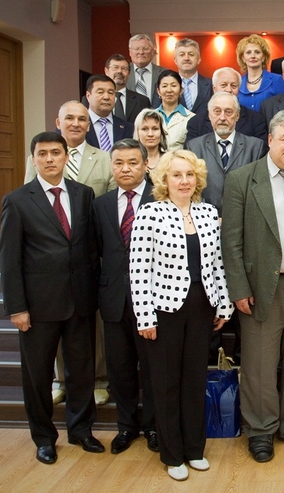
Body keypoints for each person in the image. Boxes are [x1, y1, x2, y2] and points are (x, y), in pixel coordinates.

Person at [221, 110, 284, 463]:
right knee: (260, 364)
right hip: (261, 286)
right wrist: (238, 288)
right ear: (270, 140)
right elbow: (230, 241)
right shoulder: (242, 179)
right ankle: (261, 429)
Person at [130, 149, 233, 481]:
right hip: (164, 311)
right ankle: (172, 454)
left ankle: (194, 449)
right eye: (177, 175)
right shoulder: (150, 213)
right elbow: (139, 270)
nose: (184, 181)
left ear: (197, 178)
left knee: (194, 380)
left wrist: (224, 304)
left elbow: (217, 264)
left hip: (202, 307)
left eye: (190, 174)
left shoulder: (208, 212)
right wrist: (145, 317)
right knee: (166, 383)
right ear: (164, 179)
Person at [0, 131, 103, 465]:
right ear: (33, 159)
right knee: (38, 376)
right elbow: (9, 260)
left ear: (66, 157)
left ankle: (81, 430)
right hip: (38, 305)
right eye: (42, 154)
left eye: (55, 153)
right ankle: (44, 438)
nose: (49, 159)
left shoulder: (83, 194)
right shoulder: (17, 200)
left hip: (80, 301)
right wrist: (17, 307)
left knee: (82, 372)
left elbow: (90, 248)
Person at [92, 138, 159, 455]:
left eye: (133, 162)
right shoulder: (101, 204)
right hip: (114, 300)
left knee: (153, 368)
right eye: (119, 163)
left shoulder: (161, 199)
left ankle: (153, 426)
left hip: (154, 301)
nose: (125, 169)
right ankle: (126, 426)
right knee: (120, 369)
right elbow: (96, 252)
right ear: (111, 166)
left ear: (146, 165)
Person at [185, 92, 266, 211]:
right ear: (209, 115)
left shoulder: (255, 147)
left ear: (237, 116)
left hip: (243, 216)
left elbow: (258, 188)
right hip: (204, 216)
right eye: (217, 111)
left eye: (228, 112)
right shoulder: (194, 147)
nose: (222, 117)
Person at [185, 67, 268, 143]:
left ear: (239, 90)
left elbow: (260, 150)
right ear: (214, 89)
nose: (228, 90)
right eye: (223, 85)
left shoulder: (255, 120)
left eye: (233, 86)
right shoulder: (196, 122)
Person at [236, 34, 284, 113]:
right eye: (248, 52)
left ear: (264, 57)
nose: (253, 56)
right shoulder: (237, 82)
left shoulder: (277, 80)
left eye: (257, 52)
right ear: (243, 58)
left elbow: (283, 111)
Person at [85, 74, 134, 151]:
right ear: (88, 96)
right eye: (100, 92)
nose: (106, 97)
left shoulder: (128, 128)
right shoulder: (78, 125)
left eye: (111, 93)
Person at [155, 69, 194, 151]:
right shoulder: (150, 116)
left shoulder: (191, 118)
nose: (169, 90)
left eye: (173, 86)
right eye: (164, 86)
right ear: (158, 91)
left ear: (181, 90)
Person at [173, 38, 213, 116]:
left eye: (191, 54)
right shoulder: (164, 86)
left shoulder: (211, 85)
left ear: (198, 59)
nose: (186, 58)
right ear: (175, 60)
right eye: (182, 54)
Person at [127, 34, 165, 107]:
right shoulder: (123, 72)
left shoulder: (164, 73)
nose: (141, 52)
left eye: (145, 48)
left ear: (152, 51)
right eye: (136, 49)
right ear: (130, 52)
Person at [133, 108, 168, 183]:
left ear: (161, 132)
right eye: (144, 129)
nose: (150, 134)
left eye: (155, 129)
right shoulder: (132, 161)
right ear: (137, 132)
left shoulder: (170, 160)